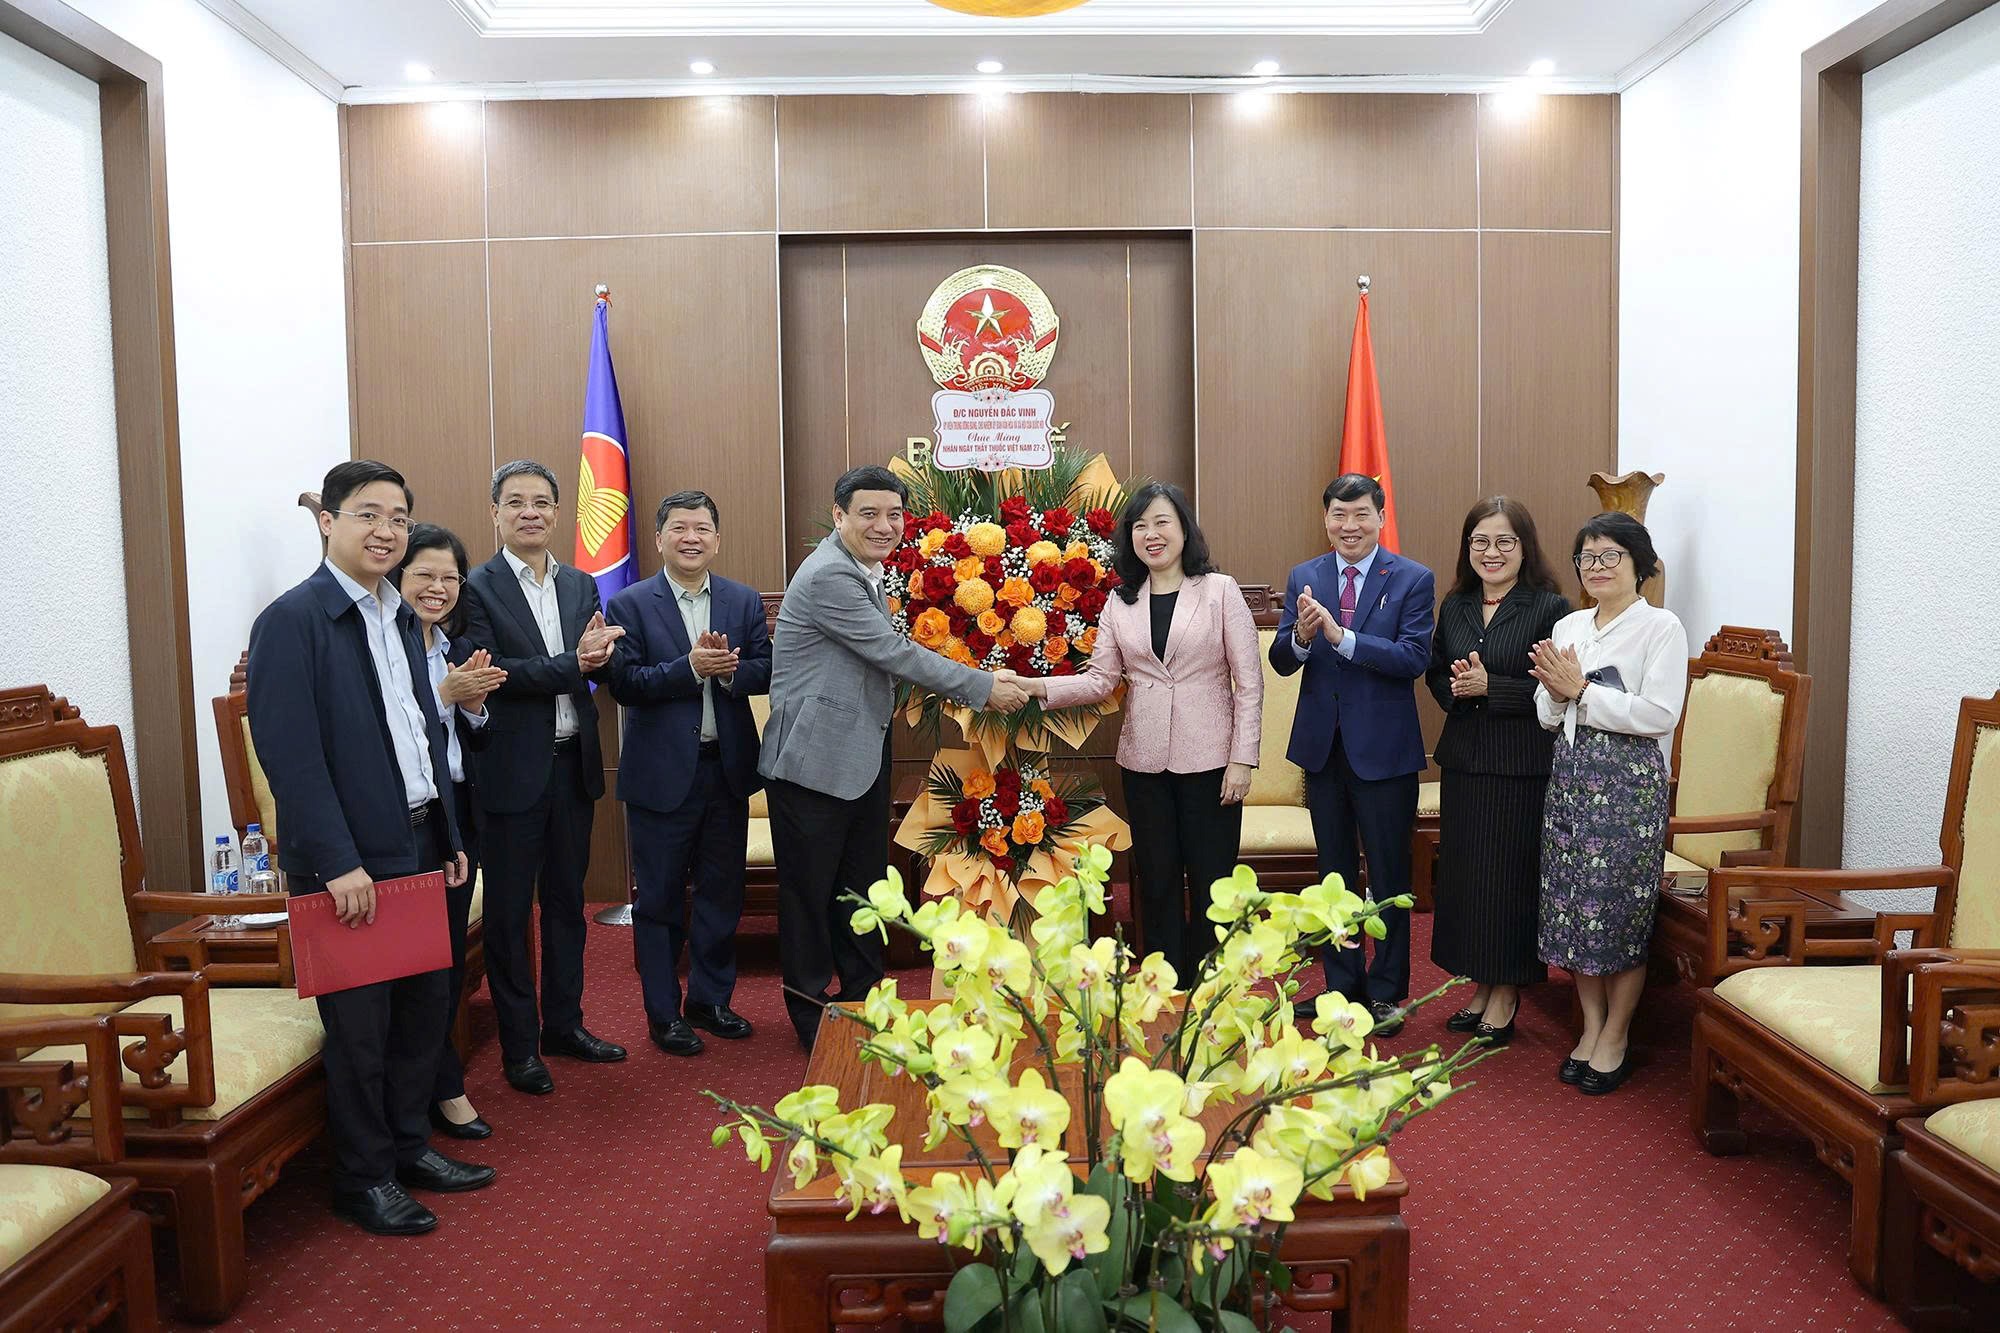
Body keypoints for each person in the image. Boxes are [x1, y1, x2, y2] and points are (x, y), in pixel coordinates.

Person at [247, 460, 494, 1236]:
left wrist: (449, 833)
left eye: (398, 517)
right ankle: (363, 1177)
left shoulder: (397, 616)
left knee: (422, 1014)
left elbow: (423, 734)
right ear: (328, 521)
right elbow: (290, 756)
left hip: (419, 841)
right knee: (360, 1029)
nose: (386, 531)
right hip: (351, 860)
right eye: (367, 514)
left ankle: (409, 1146)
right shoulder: (294, 620)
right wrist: (335, 860)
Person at [760, 464, 1030, 1049]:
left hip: (856, 754)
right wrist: (983, 686)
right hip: (812, 762)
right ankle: (811, 1014)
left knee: (860, 885)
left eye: (894, 514)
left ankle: (864, 999)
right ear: (839, 516)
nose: (884, 525)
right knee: (810, 895)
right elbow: (891, 652)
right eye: (869, 513)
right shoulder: (830, 574)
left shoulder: (865, 568)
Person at [1019, 482, 1262, 977]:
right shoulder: (1121, 600)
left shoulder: (1220, 590)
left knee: (1213, 881)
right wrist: (1035, 687)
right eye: (1140, 526)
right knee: (1156, 878)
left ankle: (1212, 984)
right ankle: (1164, 981)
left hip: (1213, 761)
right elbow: (1101, 680)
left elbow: (1250, 683)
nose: (1151, 534)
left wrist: (1243, 759)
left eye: (1162, 522)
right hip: (1144, 761)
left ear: (1184, 529)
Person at [462, 459, 629, 1095]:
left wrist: (601, 657)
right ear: (495, 512)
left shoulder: (581, 583)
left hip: (571, 764)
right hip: (510, 770)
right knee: (509, 916)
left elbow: (592, 665)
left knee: (567, 905)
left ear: (559, 513)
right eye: (516, 502)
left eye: (541, 502)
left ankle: (564, 1024)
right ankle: (520, 1045)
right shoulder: (475, 589)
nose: (529, 512)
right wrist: (572, 663)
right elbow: (493, 673)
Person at [605, 490, 771, 1058]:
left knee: (722, 894)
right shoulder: (629, 604)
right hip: (660, 777)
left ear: (717, 539)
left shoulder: (742, 600)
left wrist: (728, 673)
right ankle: (663, 1014)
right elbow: (624, 684)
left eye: (702, 528)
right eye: (679, 528)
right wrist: (689, 668)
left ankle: (709, 999)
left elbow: (766, 668)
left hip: (725, 771)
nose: (691, 538)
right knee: (658, 901)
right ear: (659, 539)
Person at [1271, 473, 1434, 1036]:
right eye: (1339, 515)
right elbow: (1282, 660)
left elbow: (1413, 657)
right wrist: (1302, 637)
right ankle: (1341, 986)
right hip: (1324, 750)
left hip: (1384, 753)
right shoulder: (1306, 576)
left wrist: (1344, 639)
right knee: (1333, 875)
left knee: (1388, 874)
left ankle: (1387, 993)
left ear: (1380, 517)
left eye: (1361, 514)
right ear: (1326, 519)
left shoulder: (1411, 578)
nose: (1350, 525)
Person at [1531, 512, 1688, 1095]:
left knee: (1617, 914)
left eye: (1610, 556)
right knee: (1576, 909)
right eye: (1587, 557)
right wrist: (1556, 694)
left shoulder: (1661, 627)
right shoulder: (1570, 624)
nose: (1597, 567)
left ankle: (1616, 1034)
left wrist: (1581, 691)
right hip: (1571, 781)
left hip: (1627, 789)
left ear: (1639, 564)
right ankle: (1591, 1027)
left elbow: (1659, 715)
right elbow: (1547, 714)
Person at [1424, 497, 1570, 1045]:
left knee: (1510, 880)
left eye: (1504, 541)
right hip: (1465, 758)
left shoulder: (1551, 608)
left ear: (1524, 547)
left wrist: (1494, 688)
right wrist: (1458, 690)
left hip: (1521, 765)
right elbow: (1436, 671)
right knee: (1469, 879)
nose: (1492, 552)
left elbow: (1557, 688)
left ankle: (1507, 991)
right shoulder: (1456, 604)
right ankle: (1482, 985)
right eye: (1480, 541)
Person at [394, 524, 507, 1140]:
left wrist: (472, 706)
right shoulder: (384, 646)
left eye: (450, 578)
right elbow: (391, 731)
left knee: (442, 960)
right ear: (396, 578)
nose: (438, 588)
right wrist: (445, 695)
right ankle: (437, 1090)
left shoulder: (452, 645)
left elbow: (472, 742)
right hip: (407, 819)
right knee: (418, 967)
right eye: (424, 576)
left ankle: (440, 1084)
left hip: (456, 812)